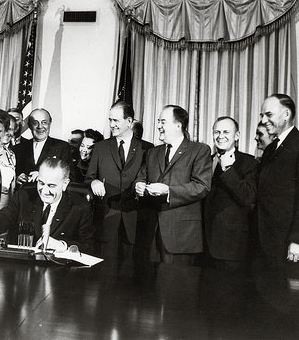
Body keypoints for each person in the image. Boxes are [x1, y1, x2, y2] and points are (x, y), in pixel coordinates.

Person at [135, 105, 211, 265]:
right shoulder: (152, 152)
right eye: (158, 122)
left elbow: (202, 186)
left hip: (181, 238)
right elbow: (141, 177)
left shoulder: (199, 150)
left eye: (163, 122)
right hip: (151, 235)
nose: (158, 126)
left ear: (178, 125)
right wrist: (139, 185)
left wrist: (169, 191)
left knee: (176, 287)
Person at [85, 101, 153, 260]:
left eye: (116, 120)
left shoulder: (148, 149)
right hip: (107, 220)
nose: (112, 124)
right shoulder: (100, 148)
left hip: (136, 222)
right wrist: (94, 182)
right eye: (110, 120)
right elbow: (89, 178)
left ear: (129, 121)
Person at [0, 157, 94, 253]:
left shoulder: (79, 207)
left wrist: (63, 245)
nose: (44, 191)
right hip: (23, 265)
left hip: (57, 270)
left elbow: (89, 246)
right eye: (41, 183)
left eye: (51, 186)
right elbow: (1, 220)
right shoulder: (24, 196)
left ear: (65, 184)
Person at [258, 94, 299, 268]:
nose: (264, 120)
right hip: (266, 243)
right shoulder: (270, 149)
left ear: (286, 114)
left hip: (289, 245)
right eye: (262, 116)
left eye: (269, 114)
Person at [203, 117, 258, 269]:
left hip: (232, 246)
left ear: (237, 135)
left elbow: (248, 197)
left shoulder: (250, 163)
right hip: (203, 245)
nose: (221, 136)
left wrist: (228, 169)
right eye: (217, 132)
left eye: (226, 132)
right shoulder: (205, 161)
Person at [13, 108, 71, 185]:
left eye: (44, 122)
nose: (40, 127)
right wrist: (16, 179)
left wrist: (44, 176)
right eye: (35, 123)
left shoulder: (62, 147)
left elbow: (69, 177)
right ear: (30, 125)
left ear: (50, 123)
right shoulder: (18, 148)